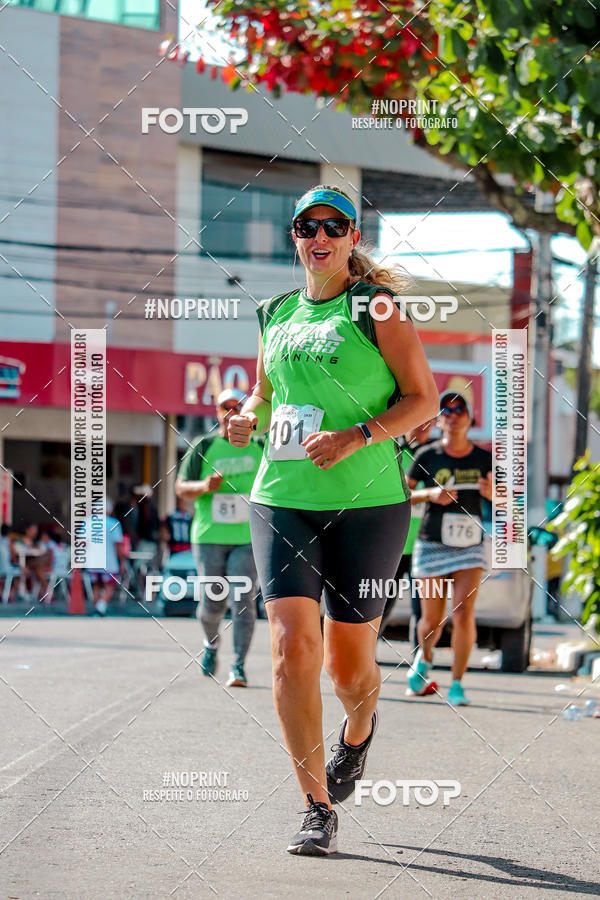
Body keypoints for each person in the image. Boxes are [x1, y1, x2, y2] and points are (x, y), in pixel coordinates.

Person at [226, 184, 438, 856]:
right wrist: (246, 418)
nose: (319, 237)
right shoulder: (275, 312)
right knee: (292, 646)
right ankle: (317, 807)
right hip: (283, 495)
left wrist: (357, 435)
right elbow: (266, 394)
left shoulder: (375, 306)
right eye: (306, 227)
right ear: (295, 235)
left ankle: (360, 729)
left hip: (369, 504)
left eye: (334, 226)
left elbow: (422, 401)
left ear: (352, 236)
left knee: (350, 671)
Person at [405, 390, 492, 706]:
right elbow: (402, 494)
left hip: (470, 545)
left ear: (470, 419)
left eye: (460, 410)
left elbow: (511, 499)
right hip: (432, 542)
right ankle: (424, 659)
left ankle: (457, 684)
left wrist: (494, 493)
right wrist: (430, 494)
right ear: (439, 419)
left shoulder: (484, 458)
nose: (453, 415)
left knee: (464, 612)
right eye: (446, 410)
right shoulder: (427, 456)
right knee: (432, 620)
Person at [175, 388, 263, 688]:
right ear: (216, 411)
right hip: (209, 535)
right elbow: (180, 488)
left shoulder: (260, 445)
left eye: (236, 406)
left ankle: (238, 666)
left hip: (247, 537)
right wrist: (203, 487)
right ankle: (211, 644)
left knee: (244, 601)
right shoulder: (204, 445)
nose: (230, 412)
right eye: (224, 407)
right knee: (213, 602)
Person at [378, 418, 436, 639]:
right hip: (393, 543)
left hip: (422, 545)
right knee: (380, 605)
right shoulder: (391, 449)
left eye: (430, 423)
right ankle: (364, 658)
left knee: (422, 610)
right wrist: (427, 495)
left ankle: (419, 667)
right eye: (420, 421)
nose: (424, 427)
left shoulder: (433, 455)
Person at [84, 498, 127, 616]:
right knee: (109, 586)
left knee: (96, 586)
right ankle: (100, 608)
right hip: (109, 562)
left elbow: (82, 542)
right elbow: (118, 545)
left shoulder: (87, 522)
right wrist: (122, 561)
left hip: (92, 562)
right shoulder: (113, 524)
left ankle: (97, 609)